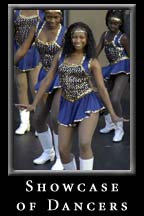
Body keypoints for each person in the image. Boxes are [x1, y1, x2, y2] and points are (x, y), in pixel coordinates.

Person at [15, 22, 126, 171]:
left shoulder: (92, 61)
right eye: (74, 37)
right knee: (63, 151)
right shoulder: (60, 56)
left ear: (87, 40)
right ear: (69, 39)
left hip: (87, 104)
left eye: (81, 37)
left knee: (84, 143)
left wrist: (113, 114)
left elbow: (101, 88)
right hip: (66, 104)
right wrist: (34, 103)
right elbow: (47, 79)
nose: (78, 41)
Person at [14, 10, 67, 170]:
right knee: (38, 118)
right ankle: (48, 152)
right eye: (49, 16)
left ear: (61, 17)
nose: (52, 20)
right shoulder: (37, 27)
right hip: (45, 74)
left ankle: (60, 158)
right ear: (45, 15)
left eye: (56, 17)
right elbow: (23, 49)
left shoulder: (65, 33)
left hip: (62, 75)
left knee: (56, 116)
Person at [96, 10, 130, 142]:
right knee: (101, 95)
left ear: (120, 24)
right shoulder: (105, 35)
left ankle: (119, 128)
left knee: (115, 98)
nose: (113, 26)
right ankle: (109, 123)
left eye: (116, 23)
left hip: (123, 67)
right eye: (111, 22)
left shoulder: (123, 38)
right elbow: (96, 50)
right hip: (111, 67)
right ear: (107, 21)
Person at [14, 9, 44, 135]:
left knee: (35, 87)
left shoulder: (41, 11)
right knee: (21, 87)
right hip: (18, 48)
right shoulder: (15, 11)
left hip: (35, 51)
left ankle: (39, 122)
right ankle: (24, 122)